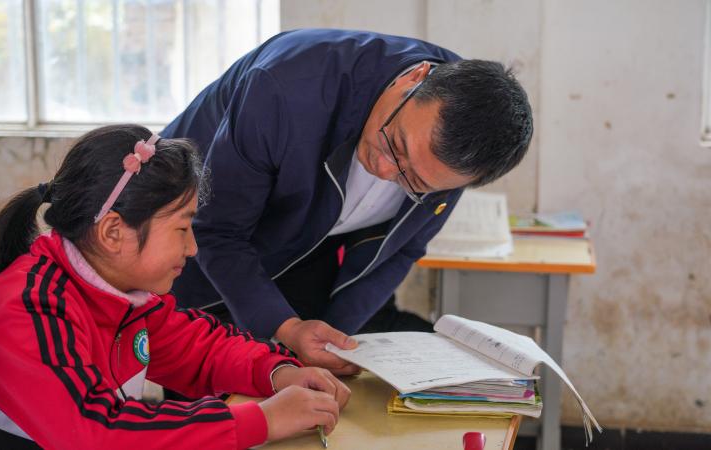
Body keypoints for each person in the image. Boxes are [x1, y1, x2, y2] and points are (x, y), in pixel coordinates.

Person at [0, 125, 350, 450]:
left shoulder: (119, 294)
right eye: (181, 228)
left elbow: (199, 349)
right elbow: (99, 433)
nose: (193, 248)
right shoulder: (26, 310)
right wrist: (261, 420)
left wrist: (278, 373)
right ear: (112, 232)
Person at [162, 29, 533, 375]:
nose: (385, 171)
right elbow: (217, 232)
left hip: (303, 246)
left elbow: (402, 250)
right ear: (413, 78)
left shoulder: (463, 150)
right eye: (395, 144)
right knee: (208, 389)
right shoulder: (286, 89)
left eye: (415, 182)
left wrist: (334, 340)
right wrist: (284, 326)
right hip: (192, 244)